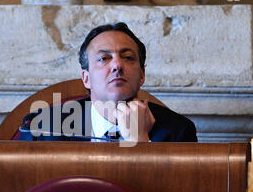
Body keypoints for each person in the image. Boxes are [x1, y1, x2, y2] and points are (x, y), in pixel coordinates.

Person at [19, 22, 197, 143]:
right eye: (104, 58)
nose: (117, 65)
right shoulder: (43, 126)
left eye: (128, 57)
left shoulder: (178, 132)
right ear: (86, 78)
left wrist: (139, 142)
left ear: (142, 75)